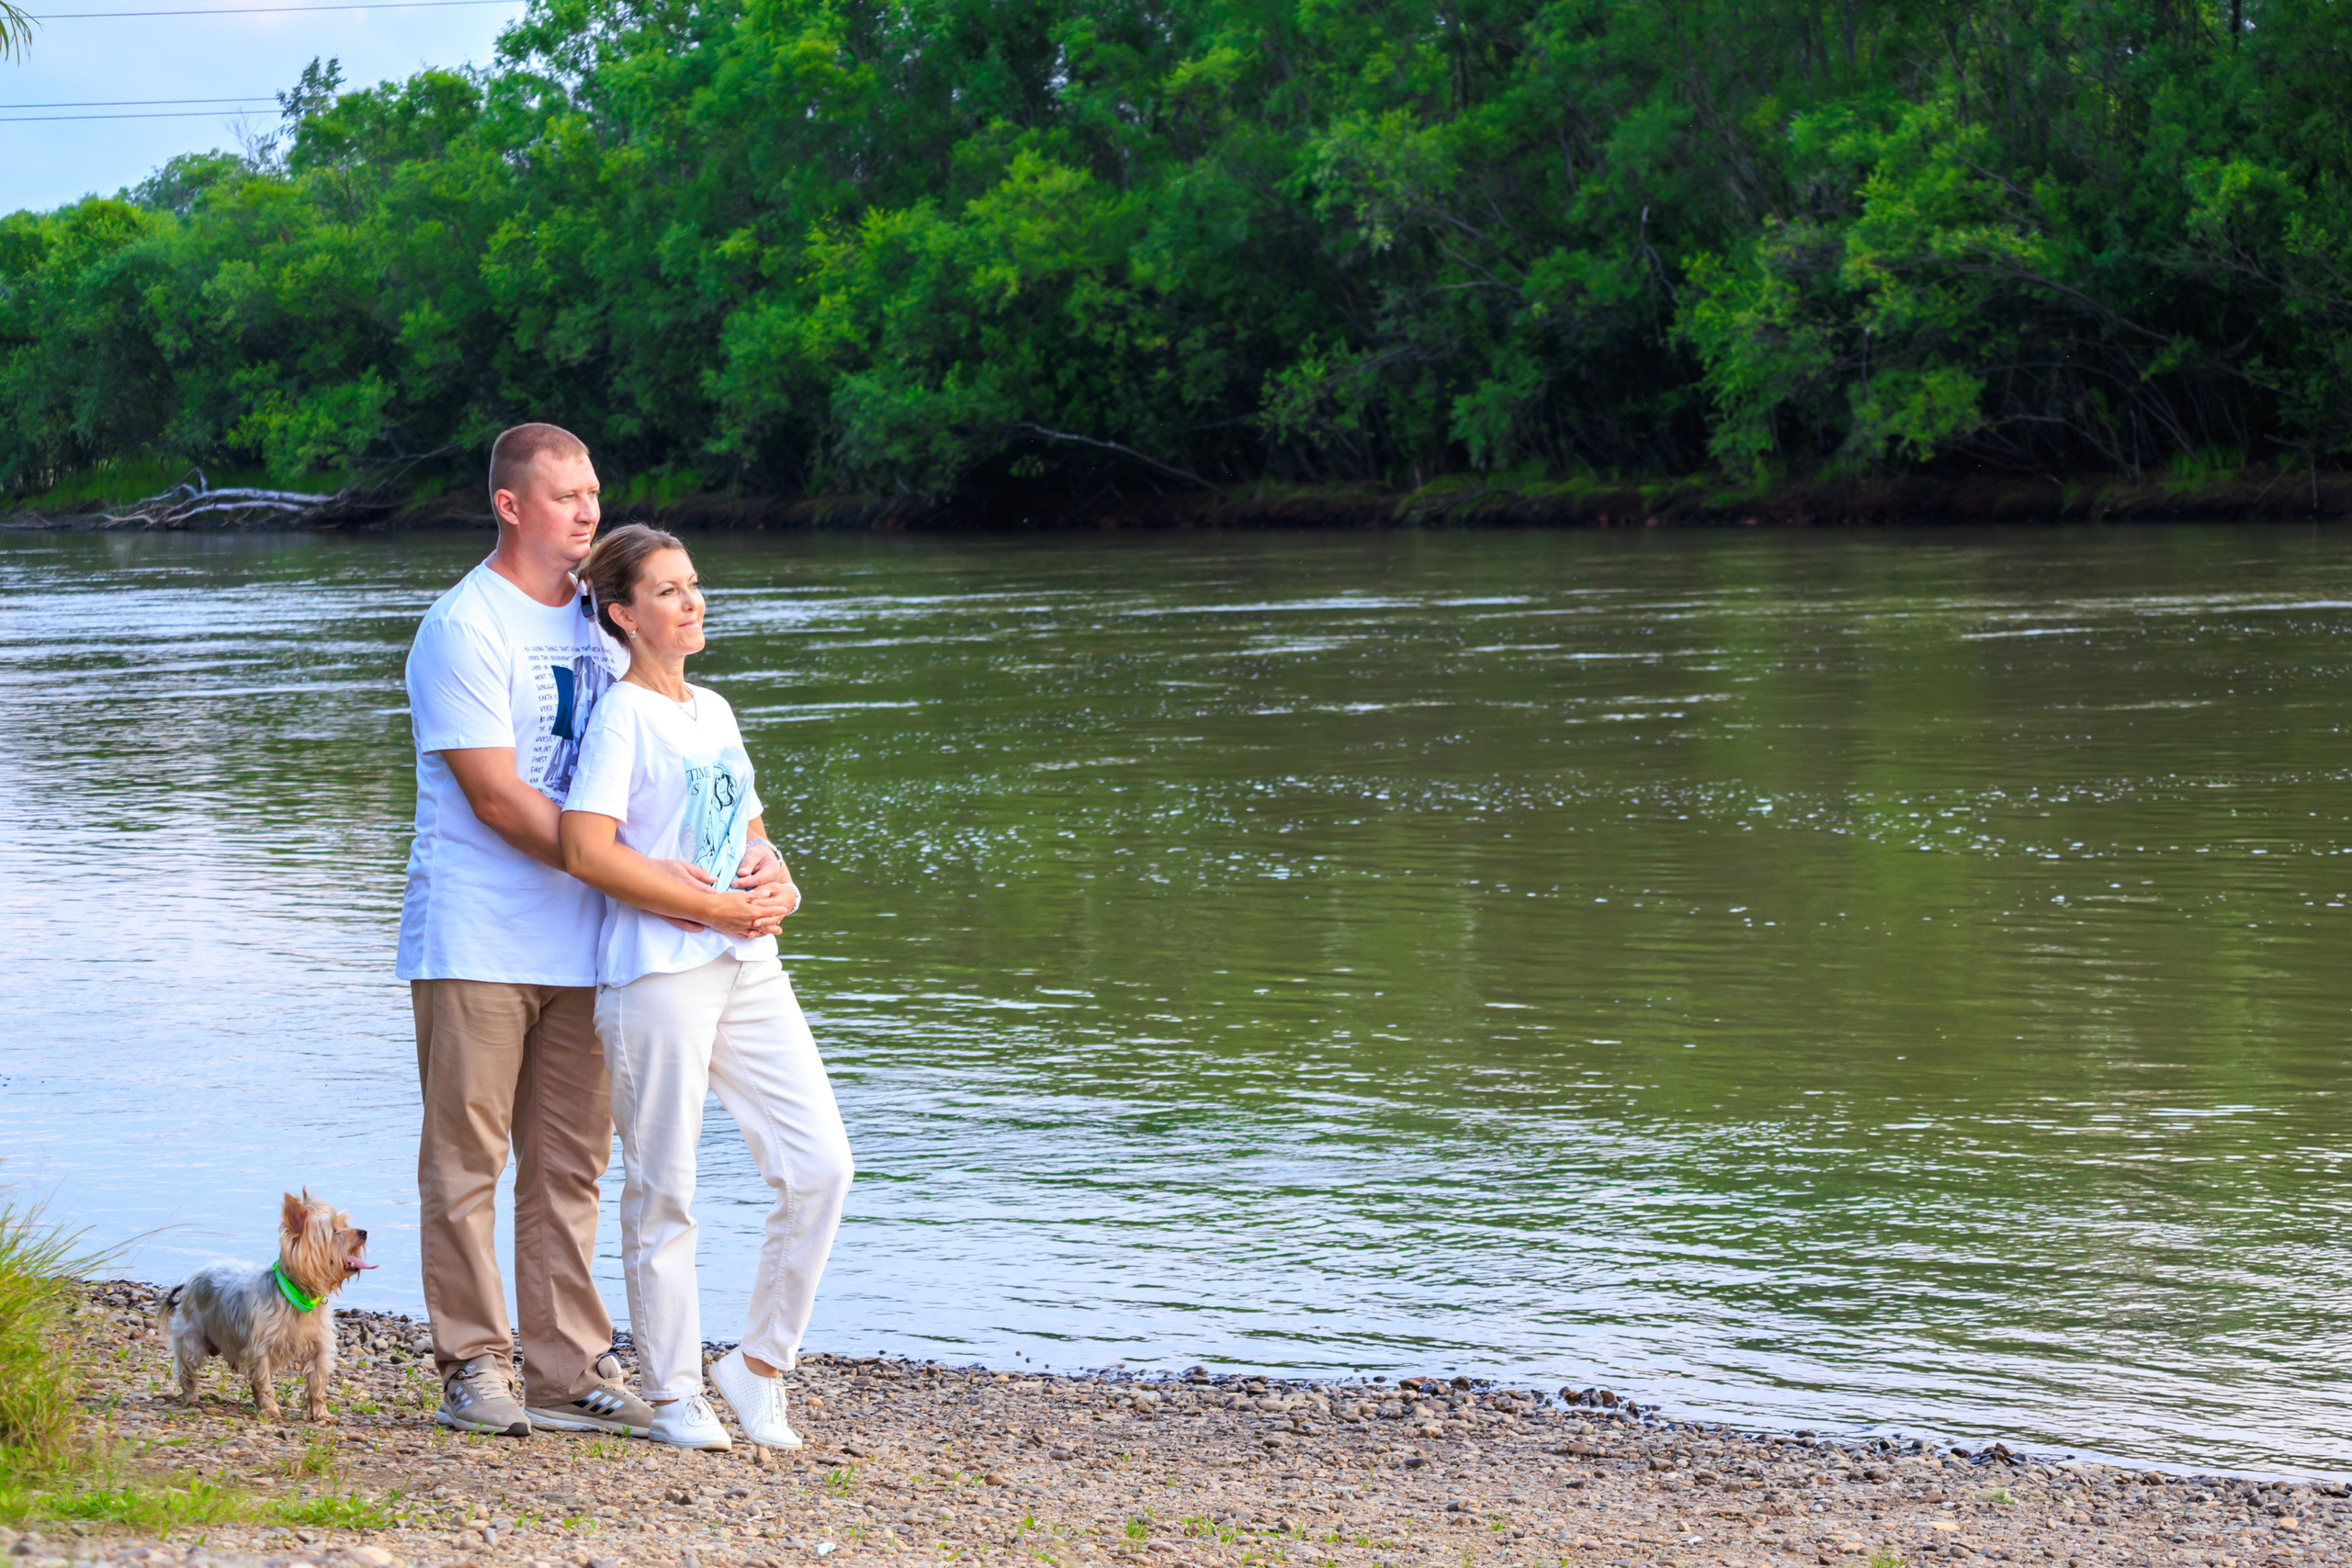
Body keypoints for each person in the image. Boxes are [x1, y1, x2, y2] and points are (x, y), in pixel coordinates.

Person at [399, 427, 790, 1438]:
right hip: (480, 936)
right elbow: (495, 797)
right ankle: (475, 1367)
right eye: (565, 495)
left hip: (596, 943)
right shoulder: (464, 627)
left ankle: (567, 1367)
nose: (586, 510)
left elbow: (682, 753)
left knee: (571, 1166)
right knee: (466, 1161)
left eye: (593, 492)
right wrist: (636, 876)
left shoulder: (602, 622)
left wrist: (749, 859)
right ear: (511, 506)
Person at [560, 524, 854, 1450]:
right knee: (664, 1190)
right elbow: (585, 848)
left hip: (748, 965)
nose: (694, 601)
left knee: (819, 1166)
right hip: (655, 975)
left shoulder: (713, 709)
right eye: (670, 590)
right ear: (623, 614)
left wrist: (778, 879)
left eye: (694, 584)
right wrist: (713, 910)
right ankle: (676, 1392)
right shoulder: (620, 717)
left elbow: (748, 828)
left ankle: (759, 1365)